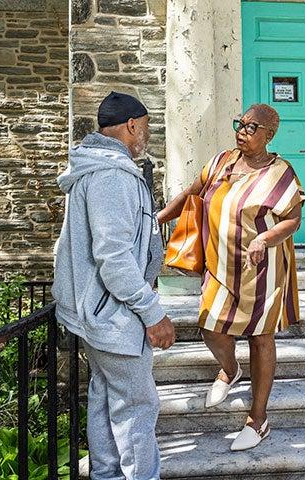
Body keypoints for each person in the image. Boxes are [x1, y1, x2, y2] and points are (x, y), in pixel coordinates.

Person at [158, 103, 305, 451]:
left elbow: (292, 220)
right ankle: (229, 369)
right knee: (211, 327)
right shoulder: (221, 161)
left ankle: (258, 419)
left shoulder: (280, 172)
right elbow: (191, 194)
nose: (242, 130)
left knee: (260, 337)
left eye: (252, 127)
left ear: (269, 135)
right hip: (219, 266)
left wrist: (263, 238)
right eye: (240, 123)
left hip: (263, 270)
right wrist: (157, 218)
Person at [53, 91, 176, 479]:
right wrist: (152, 312)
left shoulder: (102, 169)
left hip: (100, 313)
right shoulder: (111, 175)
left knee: (106, 399)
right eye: (147, 128)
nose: (148, 137)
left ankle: (107, 475)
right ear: (132, 125)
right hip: (114, 316)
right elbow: (114, 257)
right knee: (138, 407)